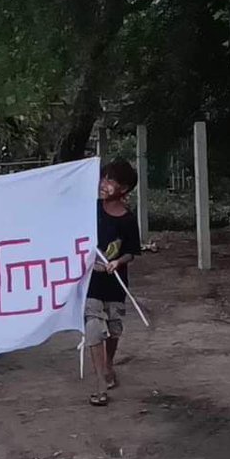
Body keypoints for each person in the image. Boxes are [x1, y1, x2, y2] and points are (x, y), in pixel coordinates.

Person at [85, 158, 141, 407]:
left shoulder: (128, 219)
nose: (104, 184)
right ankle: (99, 381)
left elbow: (131, 251)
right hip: (91, 282)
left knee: (114, 328)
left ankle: (108, 364)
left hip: (116, 284)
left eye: (111, 181)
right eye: (103, 178)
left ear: (124, 189)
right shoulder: (90, 209)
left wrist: (118, 262)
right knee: (94, 328)